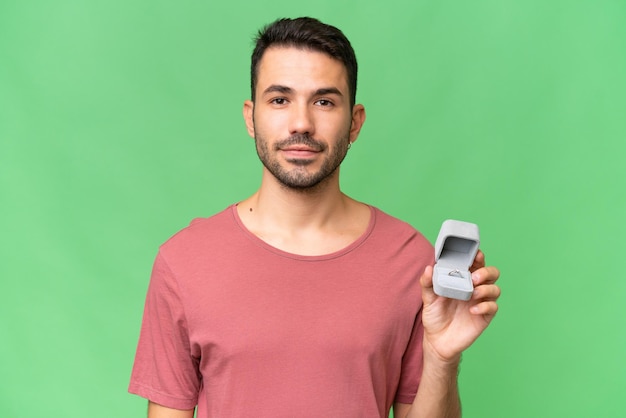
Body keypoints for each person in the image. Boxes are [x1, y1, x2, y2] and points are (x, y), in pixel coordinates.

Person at [128, 17, 501, 418]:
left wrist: (442, 358)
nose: (302, 123)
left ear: (355, 122)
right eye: (280, 99)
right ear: (250, 117)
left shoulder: (411, 259)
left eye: (324, 101)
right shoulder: (184, 261)